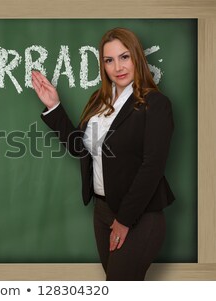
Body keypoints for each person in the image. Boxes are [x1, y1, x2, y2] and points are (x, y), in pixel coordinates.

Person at [31, 27, 175, 280]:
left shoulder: (155, 104)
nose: (117, 67)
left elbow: (152, 167)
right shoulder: (99, 100)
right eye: (109, 60)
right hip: (102, 210)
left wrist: (124, 220)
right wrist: (54, 106)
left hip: (138, 215)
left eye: (124, 57)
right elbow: (81, 149)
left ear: (137, 58)